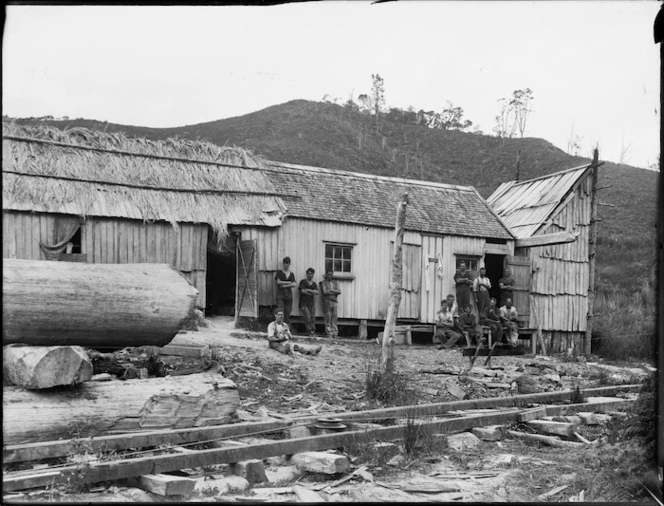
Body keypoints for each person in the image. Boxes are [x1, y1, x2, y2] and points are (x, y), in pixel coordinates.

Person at [275, 256, 296, 325]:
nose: (286, 265)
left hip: (289, 295)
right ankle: (279, 326)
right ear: (283, 264)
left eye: (288, 263)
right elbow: (278, 282)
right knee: (280, 311)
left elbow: (294, 284)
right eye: (285, 263)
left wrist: (285, 285)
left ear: (289, 264)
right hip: (280, 294)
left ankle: (286, 327)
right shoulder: (279, 272)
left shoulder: (291, 273)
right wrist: (289, 282)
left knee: (288, 311)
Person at [298, 268, 319, 337]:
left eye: (311, 274)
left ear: (313, 275)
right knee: (308, 318)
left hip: (311, 303)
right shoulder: (303, 282)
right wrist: (311, 291)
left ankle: (313, 332)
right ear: (307, 274)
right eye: (309, 273)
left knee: (313, 318)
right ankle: (309, 332)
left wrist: (307, 290)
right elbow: (302, 291)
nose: (310, 275)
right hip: (303, 303)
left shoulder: (314, 284)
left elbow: (317, 292)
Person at [320, 270, 341, 338]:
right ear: (326, 275)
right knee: (328, 317)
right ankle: (329, 333)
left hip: (334, 301)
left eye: (331, 274)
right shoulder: (323, 282)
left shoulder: (335, 282)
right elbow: (325, 292)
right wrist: (334, 292)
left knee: (334, 317)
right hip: (327, 301)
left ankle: (335, 333)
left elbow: (339, 291)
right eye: (329, 274)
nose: (330, 276)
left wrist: (331, 290)